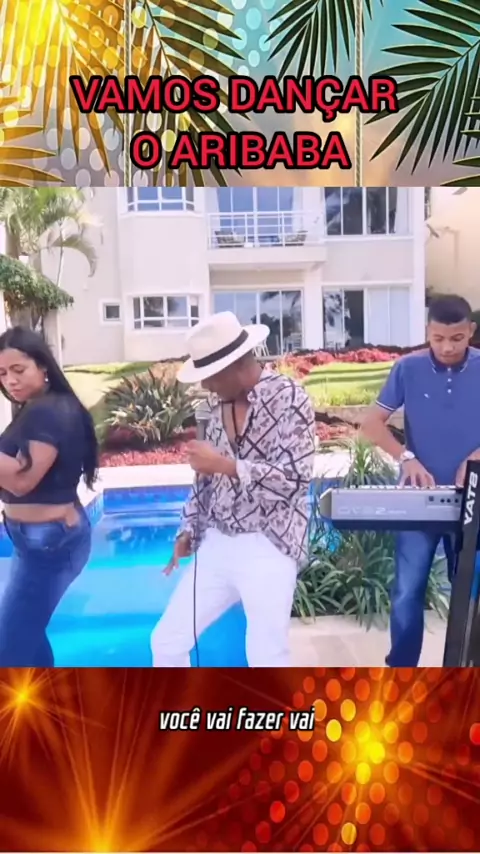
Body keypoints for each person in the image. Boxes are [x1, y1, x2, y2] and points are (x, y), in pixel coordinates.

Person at [151, 311, 316, 667]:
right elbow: (204, 480)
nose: (206, 386)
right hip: (218, 542)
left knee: (266, 656)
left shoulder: (289, 398)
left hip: (270, 542)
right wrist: (188, 529)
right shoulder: (214, 408)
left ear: (235, 366)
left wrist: (227, 465)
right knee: (166, 641)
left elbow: (295, 478)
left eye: (210, 376)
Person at [361, 294, 480, 666]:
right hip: (418, 498)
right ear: (428, 332)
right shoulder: (407, 368)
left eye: (457, 338)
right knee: (406, 592)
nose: (447, 347)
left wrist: (477, 457)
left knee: (470, 592)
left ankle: (465, 669)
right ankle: (402, 672)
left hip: (473, 499)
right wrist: (406, 457)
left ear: (471, 331)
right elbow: (371, 424)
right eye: (438, 338)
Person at [0, 326, 99, 666]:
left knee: (9, 646)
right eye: (2, 373)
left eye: (18, 369)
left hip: (51, 544)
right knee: (25, 635)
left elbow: (23, 481)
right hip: (34, 541)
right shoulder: (35, 407)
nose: (10, 381)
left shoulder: (51, 411)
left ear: (43, 366)